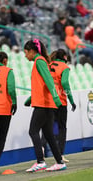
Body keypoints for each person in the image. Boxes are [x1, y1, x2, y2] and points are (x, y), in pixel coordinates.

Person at [23, 39, 66, 172]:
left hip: (43, 104)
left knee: (33, 131)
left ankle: (40, 161)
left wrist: (56, 98)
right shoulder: (40, 61)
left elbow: (49, 81)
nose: (25, 56)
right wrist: (31, 98)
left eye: (26, 52)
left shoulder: (39, 61)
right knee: (48, 134)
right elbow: (42, 85)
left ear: (32, 51)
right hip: (46, 103)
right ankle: (60, 162)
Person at [45, 49, 76, 162]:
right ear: (65, 57)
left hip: (48, 100)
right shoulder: (64, 67)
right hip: (60, 101)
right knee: (62, 128)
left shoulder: (48, 65)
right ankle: (60, 154)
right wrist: (71, 100)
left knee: (46, 127)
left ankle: (42, 152)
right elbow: (65, 83)